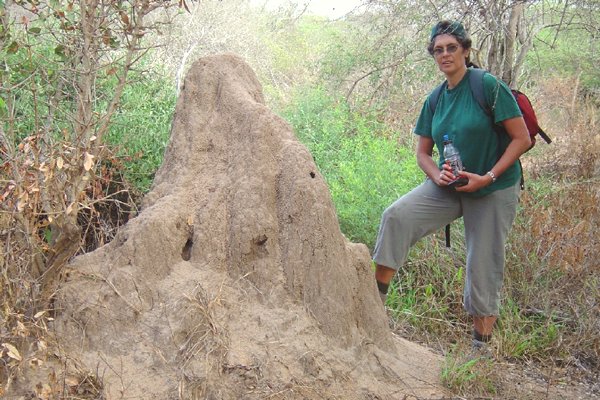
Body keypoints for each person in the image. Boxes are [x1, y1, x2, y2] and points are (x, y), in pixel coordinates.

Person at [372, 20, 531, 350]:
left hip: (492, 186)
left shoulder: (486, 86)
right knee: (396, 216)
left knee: (482, 263)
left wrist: (487, 177)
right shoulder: (435, 99)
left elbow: (522, 139)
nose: (445, 55)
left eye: (451, 48)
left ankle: (480, 349)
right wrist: (436, 175)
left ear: (465, 50)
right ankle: (373, 306)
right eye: (438, 50)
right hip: (451, 184)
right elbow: (423, 152)